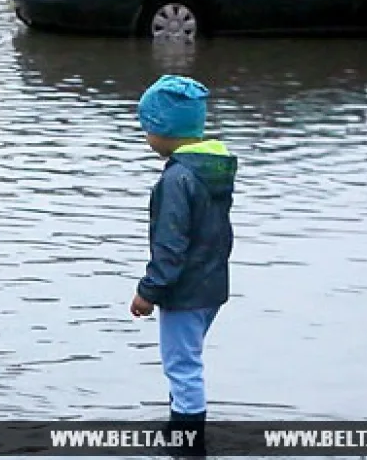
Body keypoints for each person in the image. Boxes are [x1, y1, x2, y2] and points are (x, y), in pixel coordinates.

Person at [130, 74, 238, 456]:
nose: (146, 138)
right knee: (186, 359)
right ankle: (180, 425)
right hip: (212, 286)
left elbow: (170, 244)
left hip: (184, 290)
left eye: (148, 129)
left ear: (164, 130)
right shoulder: (214, 169)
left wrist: (148, 291)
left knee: (182, 365)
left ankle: (187, 442)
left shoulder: (176, 178)